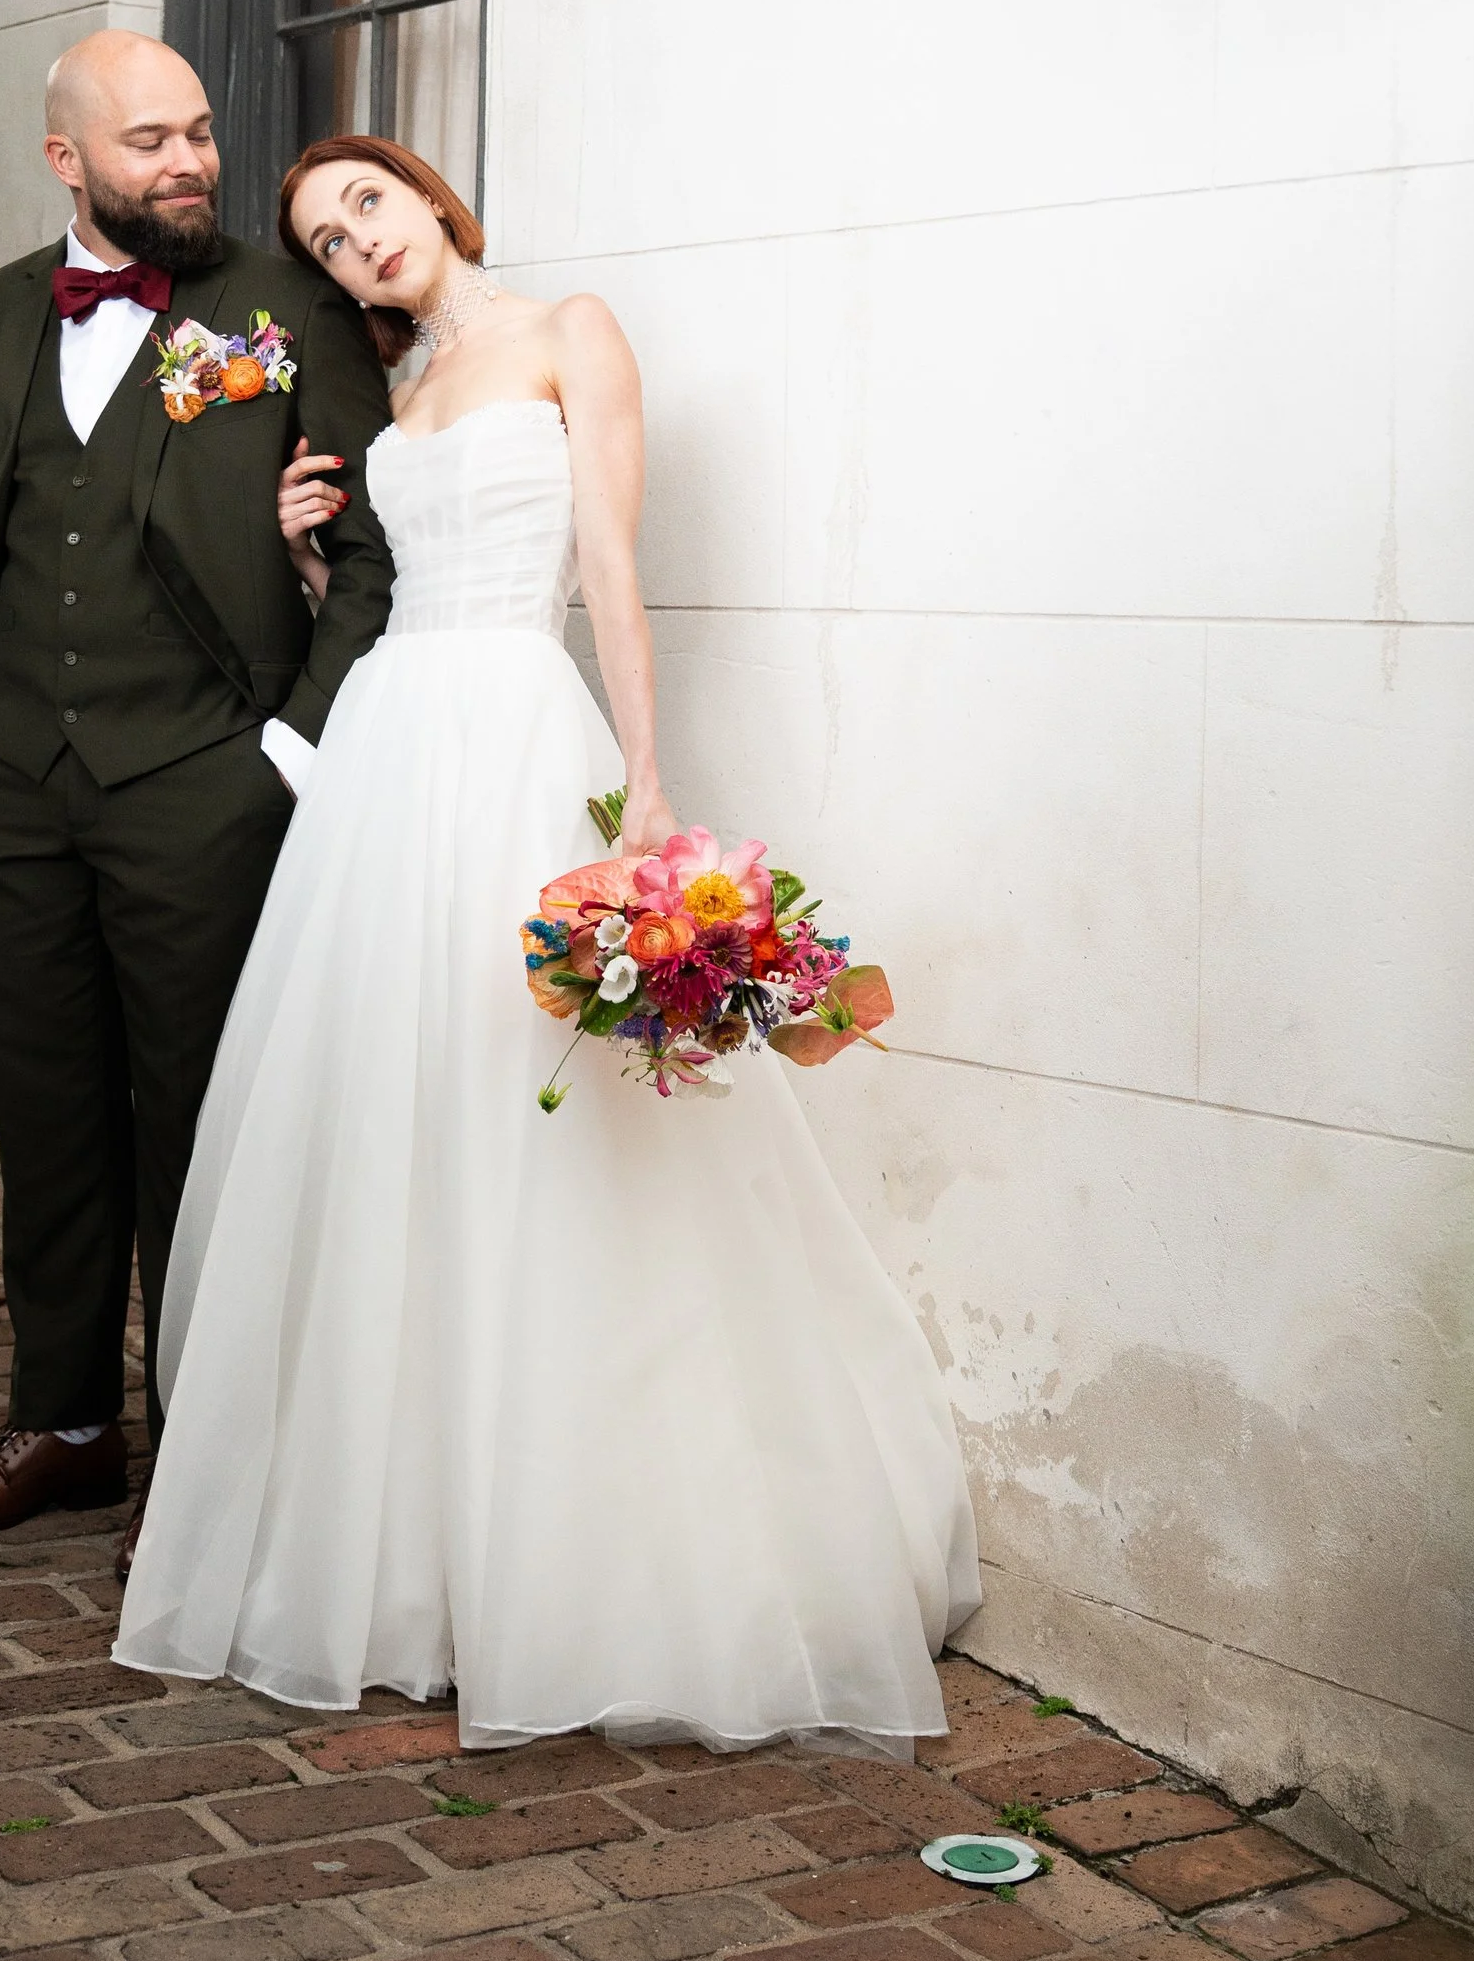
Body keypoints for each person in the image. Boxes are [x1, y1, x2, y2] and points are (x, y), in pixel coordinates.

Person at [115, 133, 979, 1749]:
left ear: (428, 196)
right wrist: (310, 548)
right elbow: (385, 582)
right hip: (389, 748)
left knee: (546, 1112)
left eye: (367, 203)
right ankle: (412, 1548)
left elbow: (611, 571)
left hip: (516, 725)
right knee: (404, 1104)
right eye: (324, 238)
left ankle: (577, 1544)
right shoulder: (384, 399)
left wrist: (646, 782)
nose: (357, 241)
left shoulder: (572, 331)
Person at [0, 38, 394, 1548]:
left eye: (201, 132)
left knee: (197, 1121)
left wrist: (290, 748)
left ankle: (208, 1452)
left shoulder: (289, 302)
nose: (189, 162)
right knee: (45, 1107)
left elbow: (373, 550)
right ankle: (63, 1424)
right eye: (150, 140)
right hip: (7, 781)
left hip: (205, 777)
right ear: (68, 161)